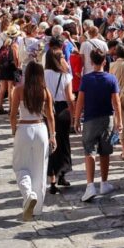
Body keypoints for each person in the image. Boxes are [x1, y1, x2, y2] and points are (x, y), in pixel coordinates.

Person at [9, 60, 57, 221]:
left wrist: (14, 130)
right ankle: (37, 209)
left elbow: (12, 114)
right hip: (40, 129)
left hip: (24, 128)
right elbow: (50, 116)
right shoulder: (45, 91)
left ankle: (28, 194)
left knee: (20, 166)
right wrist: (53, 136)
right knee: (40, 169)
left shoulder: (18, 90)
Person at [73, 48, 122, 202]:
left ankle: (90, 185)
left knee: (89, 151)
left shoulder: (86, 79)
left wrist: (76, 119)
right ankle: (104, 183)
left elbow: (80, 100)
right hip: (107, 118)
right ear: (104, 61)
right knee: (105, 152)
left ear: (91, 61)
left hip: (90, 119)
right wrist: (119, 120)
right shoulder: (111, 79)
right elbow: (116, 102)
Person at [44, 47, 74, 194]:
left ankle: (52, 180)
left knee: (50, 144)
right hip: (62, 110)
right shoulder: (66, 76)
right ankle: (62, 174)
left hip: (47, 109)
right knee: (63, 143)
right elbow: (69, 98)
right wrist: (74, 115)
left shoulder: (43, 74)